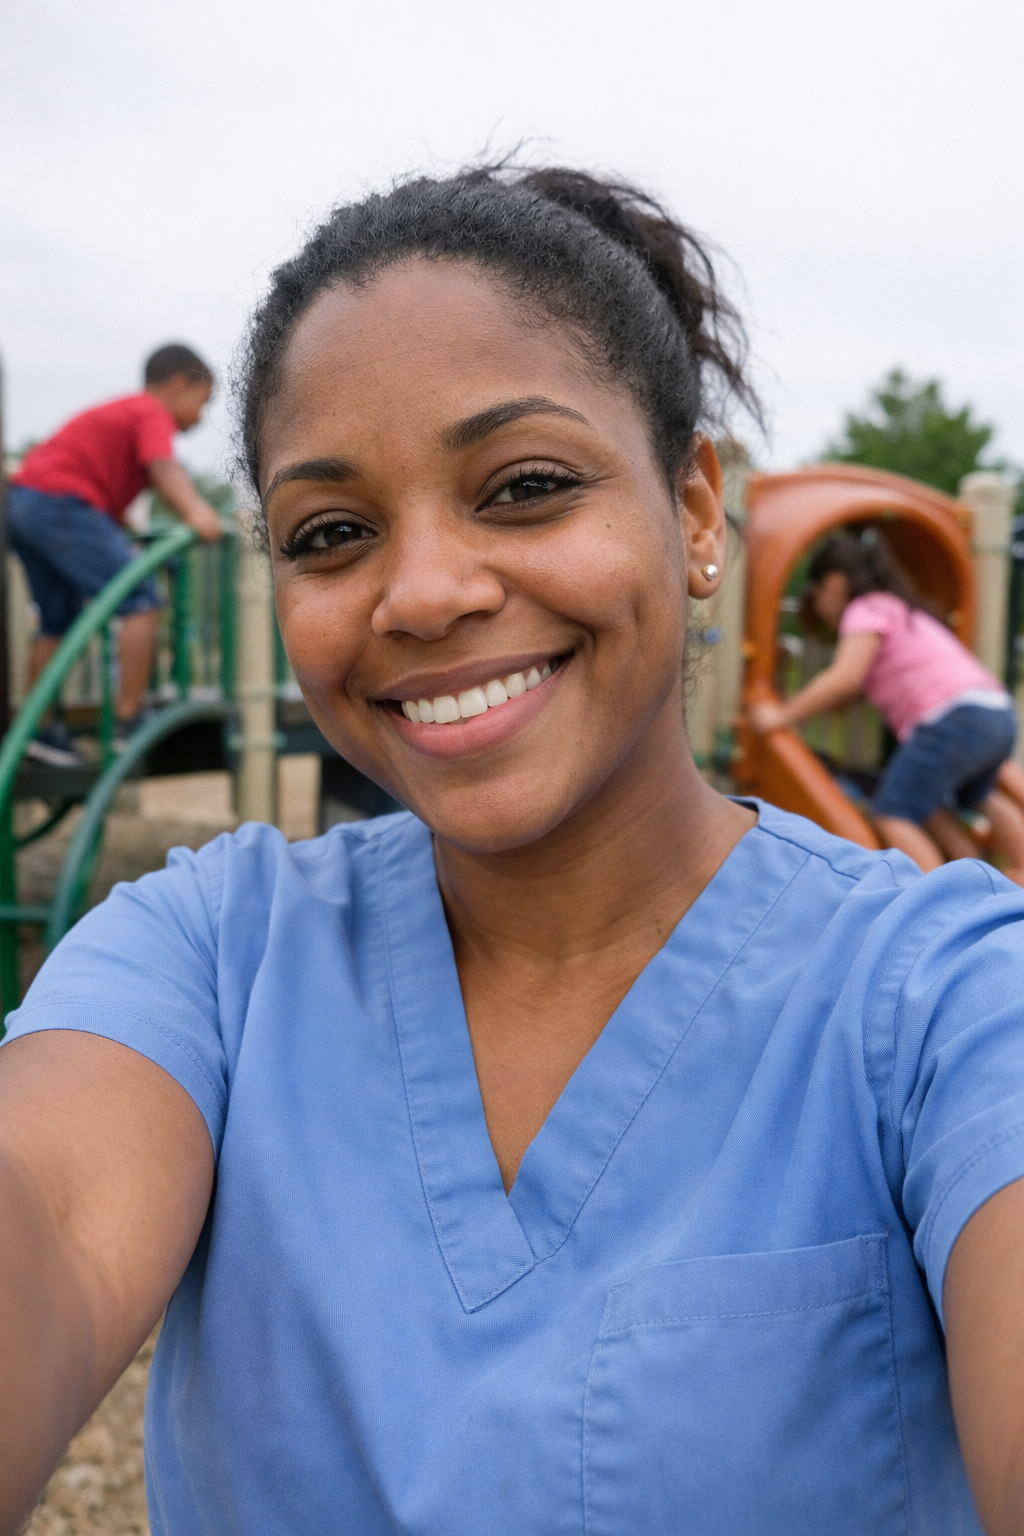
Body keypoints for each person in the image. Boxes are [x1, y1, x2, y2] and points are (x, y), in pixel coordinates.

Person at [0, 169, 1021, 1536]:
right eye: (331, 533)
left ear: (698, 513)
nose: (423, 591)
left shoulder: (940, 1001)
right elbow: (50, 1217)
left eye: (527, 486)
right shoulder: (210, 952)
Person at [747, 533, 1024, 882]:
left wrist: (780, 717)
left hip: (951, 718)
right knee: (977, 794)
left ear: (832, 584)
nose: (819, 607)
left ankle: (940, 903)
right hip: (993, 710)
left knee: (893, 812)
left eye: (815, 595)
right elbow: (861, 688)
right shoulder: (902, 607)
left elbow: (844, 678)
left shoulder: (865, 609)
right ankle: (1008, 871)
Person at [7, 343, 225, 764]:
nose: (201, 417)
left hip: (24, 506)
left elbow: (107, 497)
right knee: (141, 599)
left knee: (58, 618)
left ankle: (41, 730)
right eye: (202, 403)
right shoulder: (150, 412)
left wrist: (129, 532)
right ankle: (129, 719)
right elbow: (163, 468)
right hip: (59, 504)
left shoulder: (122, 414)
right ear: (179, 385)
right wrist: (199, 511)